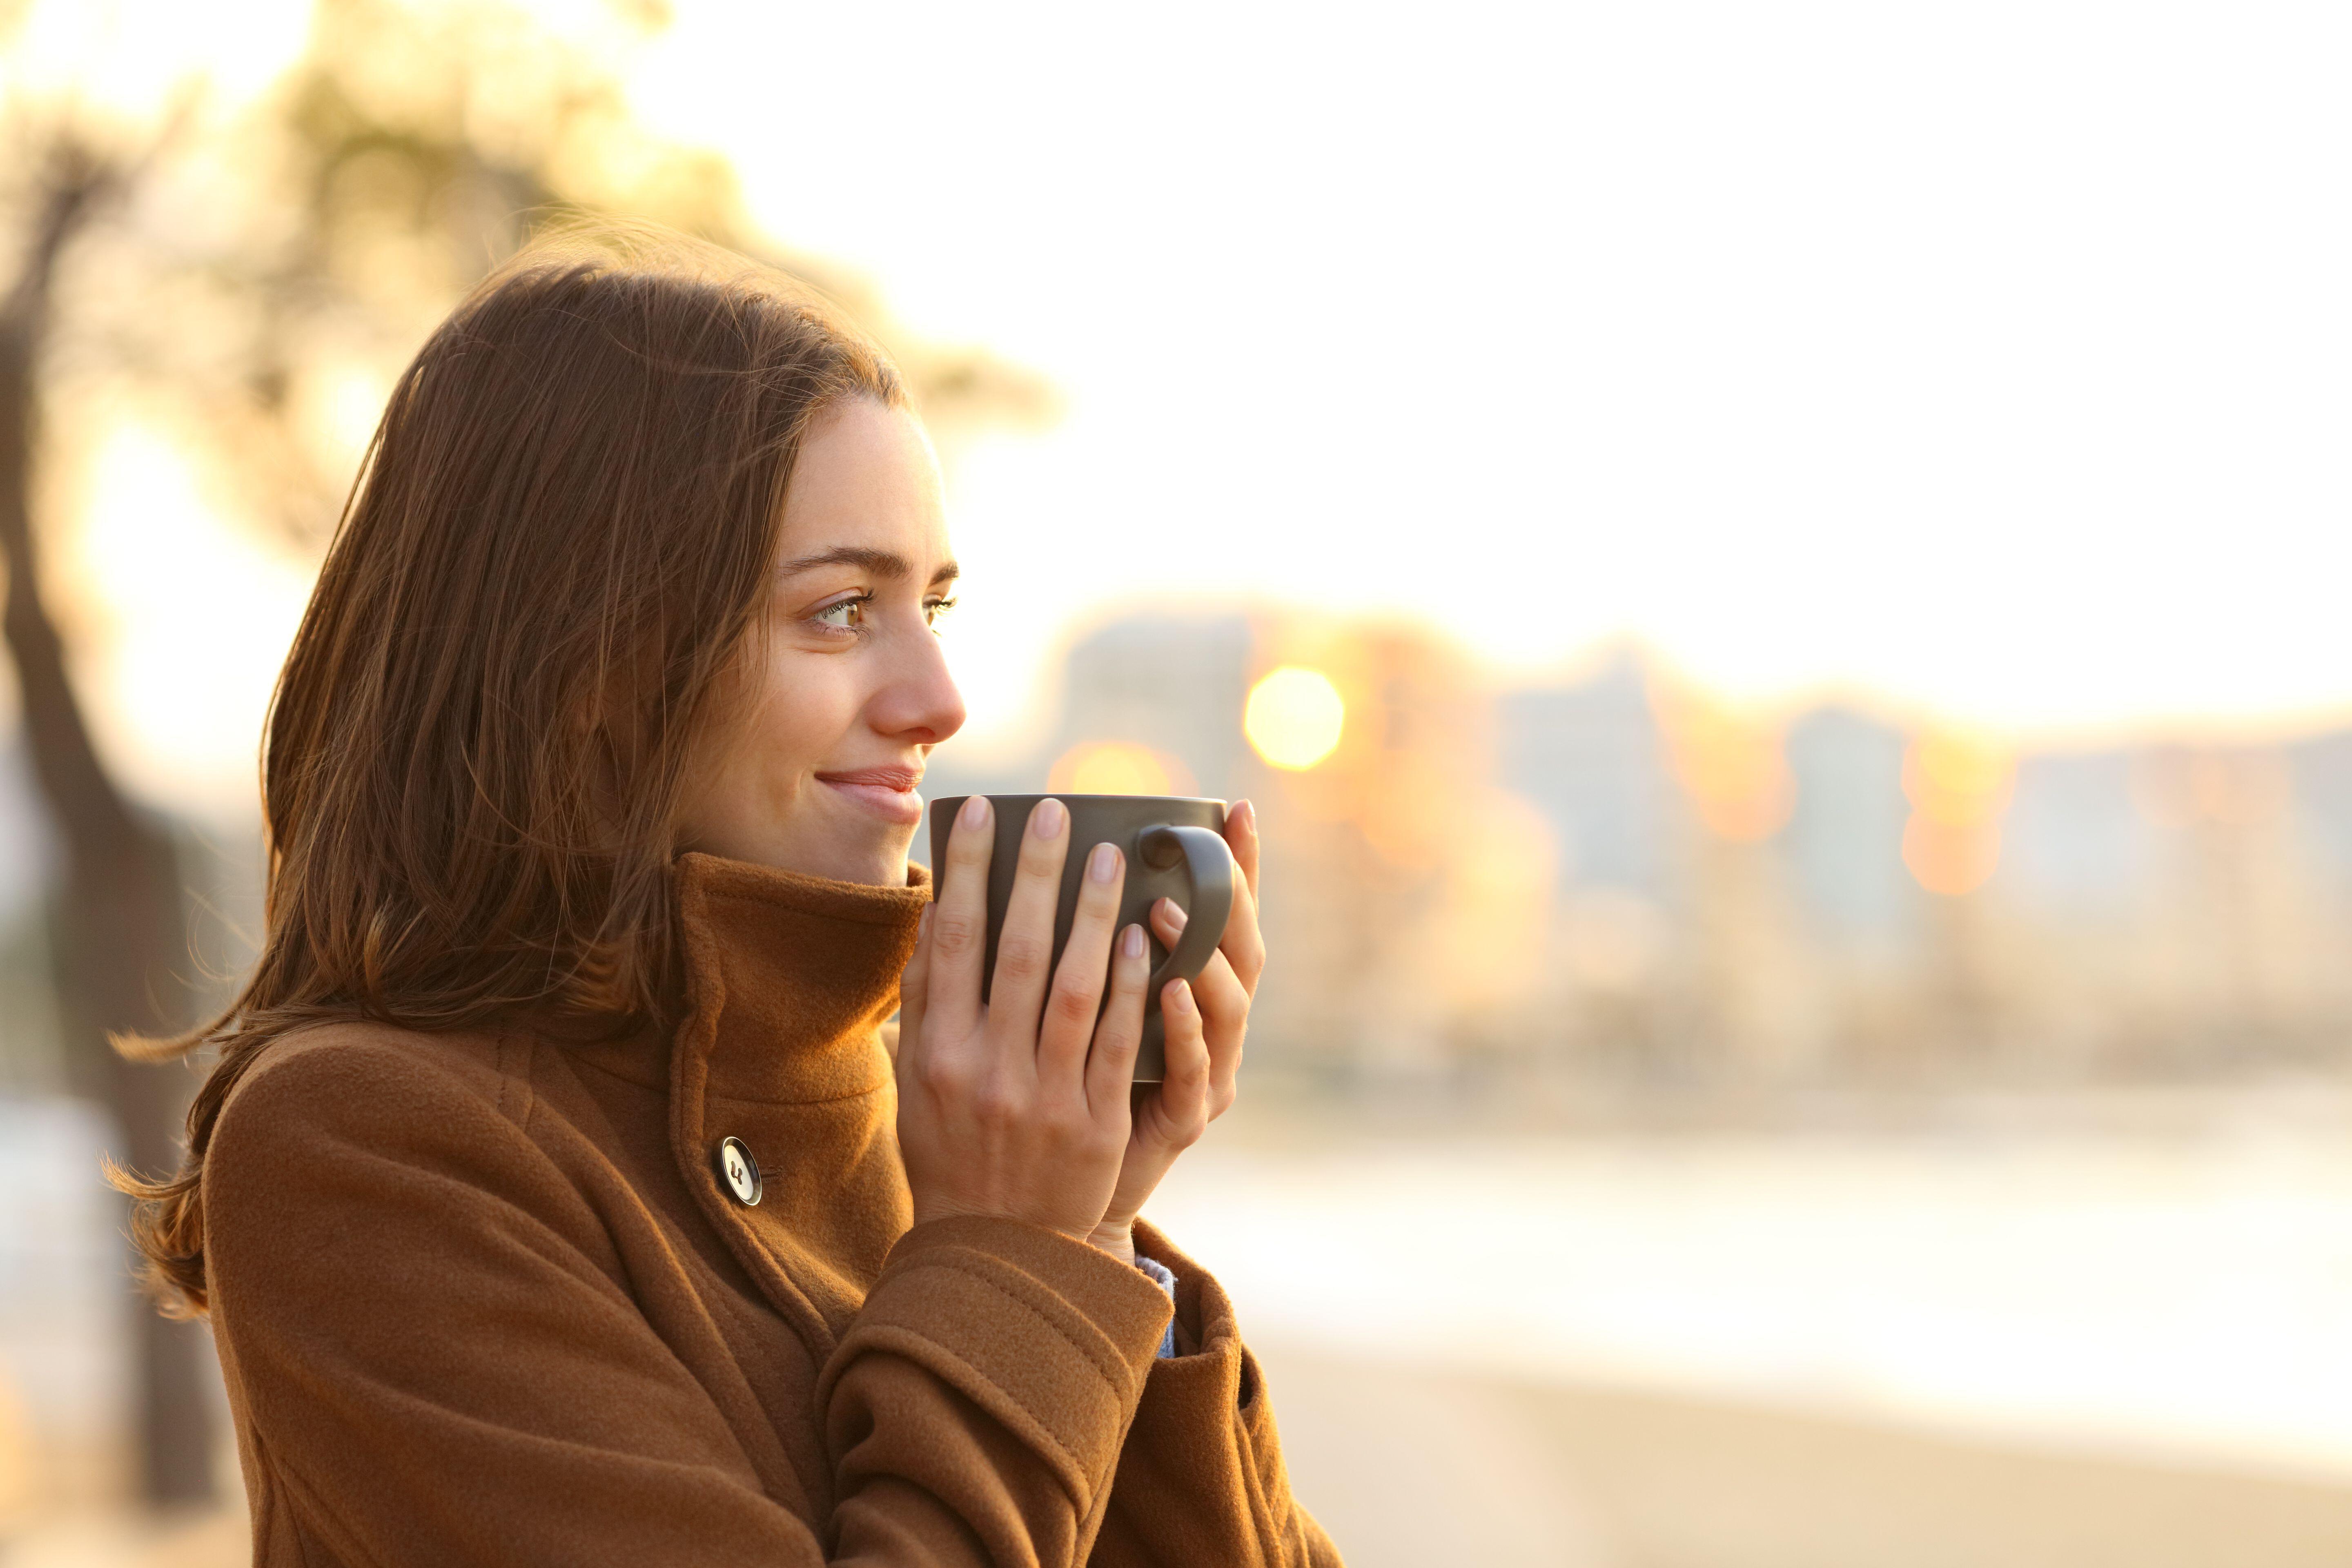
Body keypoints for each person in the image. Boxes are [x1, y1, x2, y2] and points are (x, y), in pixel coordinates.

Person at [115, 224, 1341, 1566]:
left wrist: (1100, 1226)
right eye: (838, 613)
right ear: (588, 660)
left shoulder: (919, 1120)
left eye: (933, 605)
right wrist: (1015, 1248)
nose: (938, 702)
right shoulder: (366, 1147)